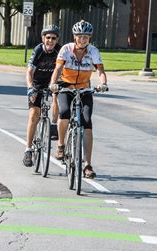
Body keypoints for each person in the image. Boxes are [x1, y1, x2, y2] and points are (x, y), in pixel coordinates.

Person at [49, 20, 108, 179]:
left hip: (84, 88)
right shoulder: (66, 49)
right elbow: (58, 69)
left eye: (86, 37)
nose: (83, 40)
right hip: (66, 87)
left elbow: (101, 71)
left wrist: (103, 83)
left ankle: (88, 165)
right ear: (75, 37)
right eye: (80, 36)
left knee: (87, 122)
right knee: (64, 112)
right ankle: (61, 145)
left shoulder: (93, 51)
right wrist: (53, 84)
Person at [22, 24, 61, 167]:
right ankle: (28, 150)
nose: (50, 41)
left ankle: (53, 125)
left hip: (53, 82)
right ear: (43, 38)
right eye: (48, 37)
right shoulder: (38, 50)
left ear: (57, 39)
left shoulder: (59, 50)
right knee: (34, 114)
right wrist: (30, 88)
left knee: (57, 95)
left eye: (53, 38)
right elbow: (29, 72)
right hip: (37, 83)